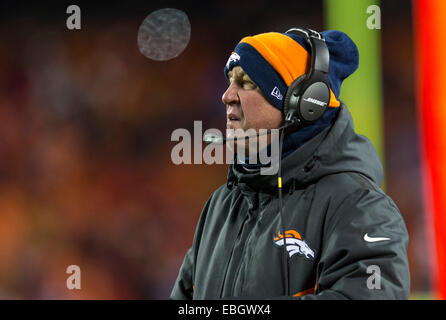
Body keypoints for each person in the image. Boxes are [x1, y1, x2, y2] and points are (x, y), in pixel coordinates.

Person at [170, 28, 410, 299]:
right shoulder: (221, 204)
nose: (227, 96)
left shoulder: (360, 206)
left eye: (247, 83)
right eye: (230, 81)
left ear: (303, 103)